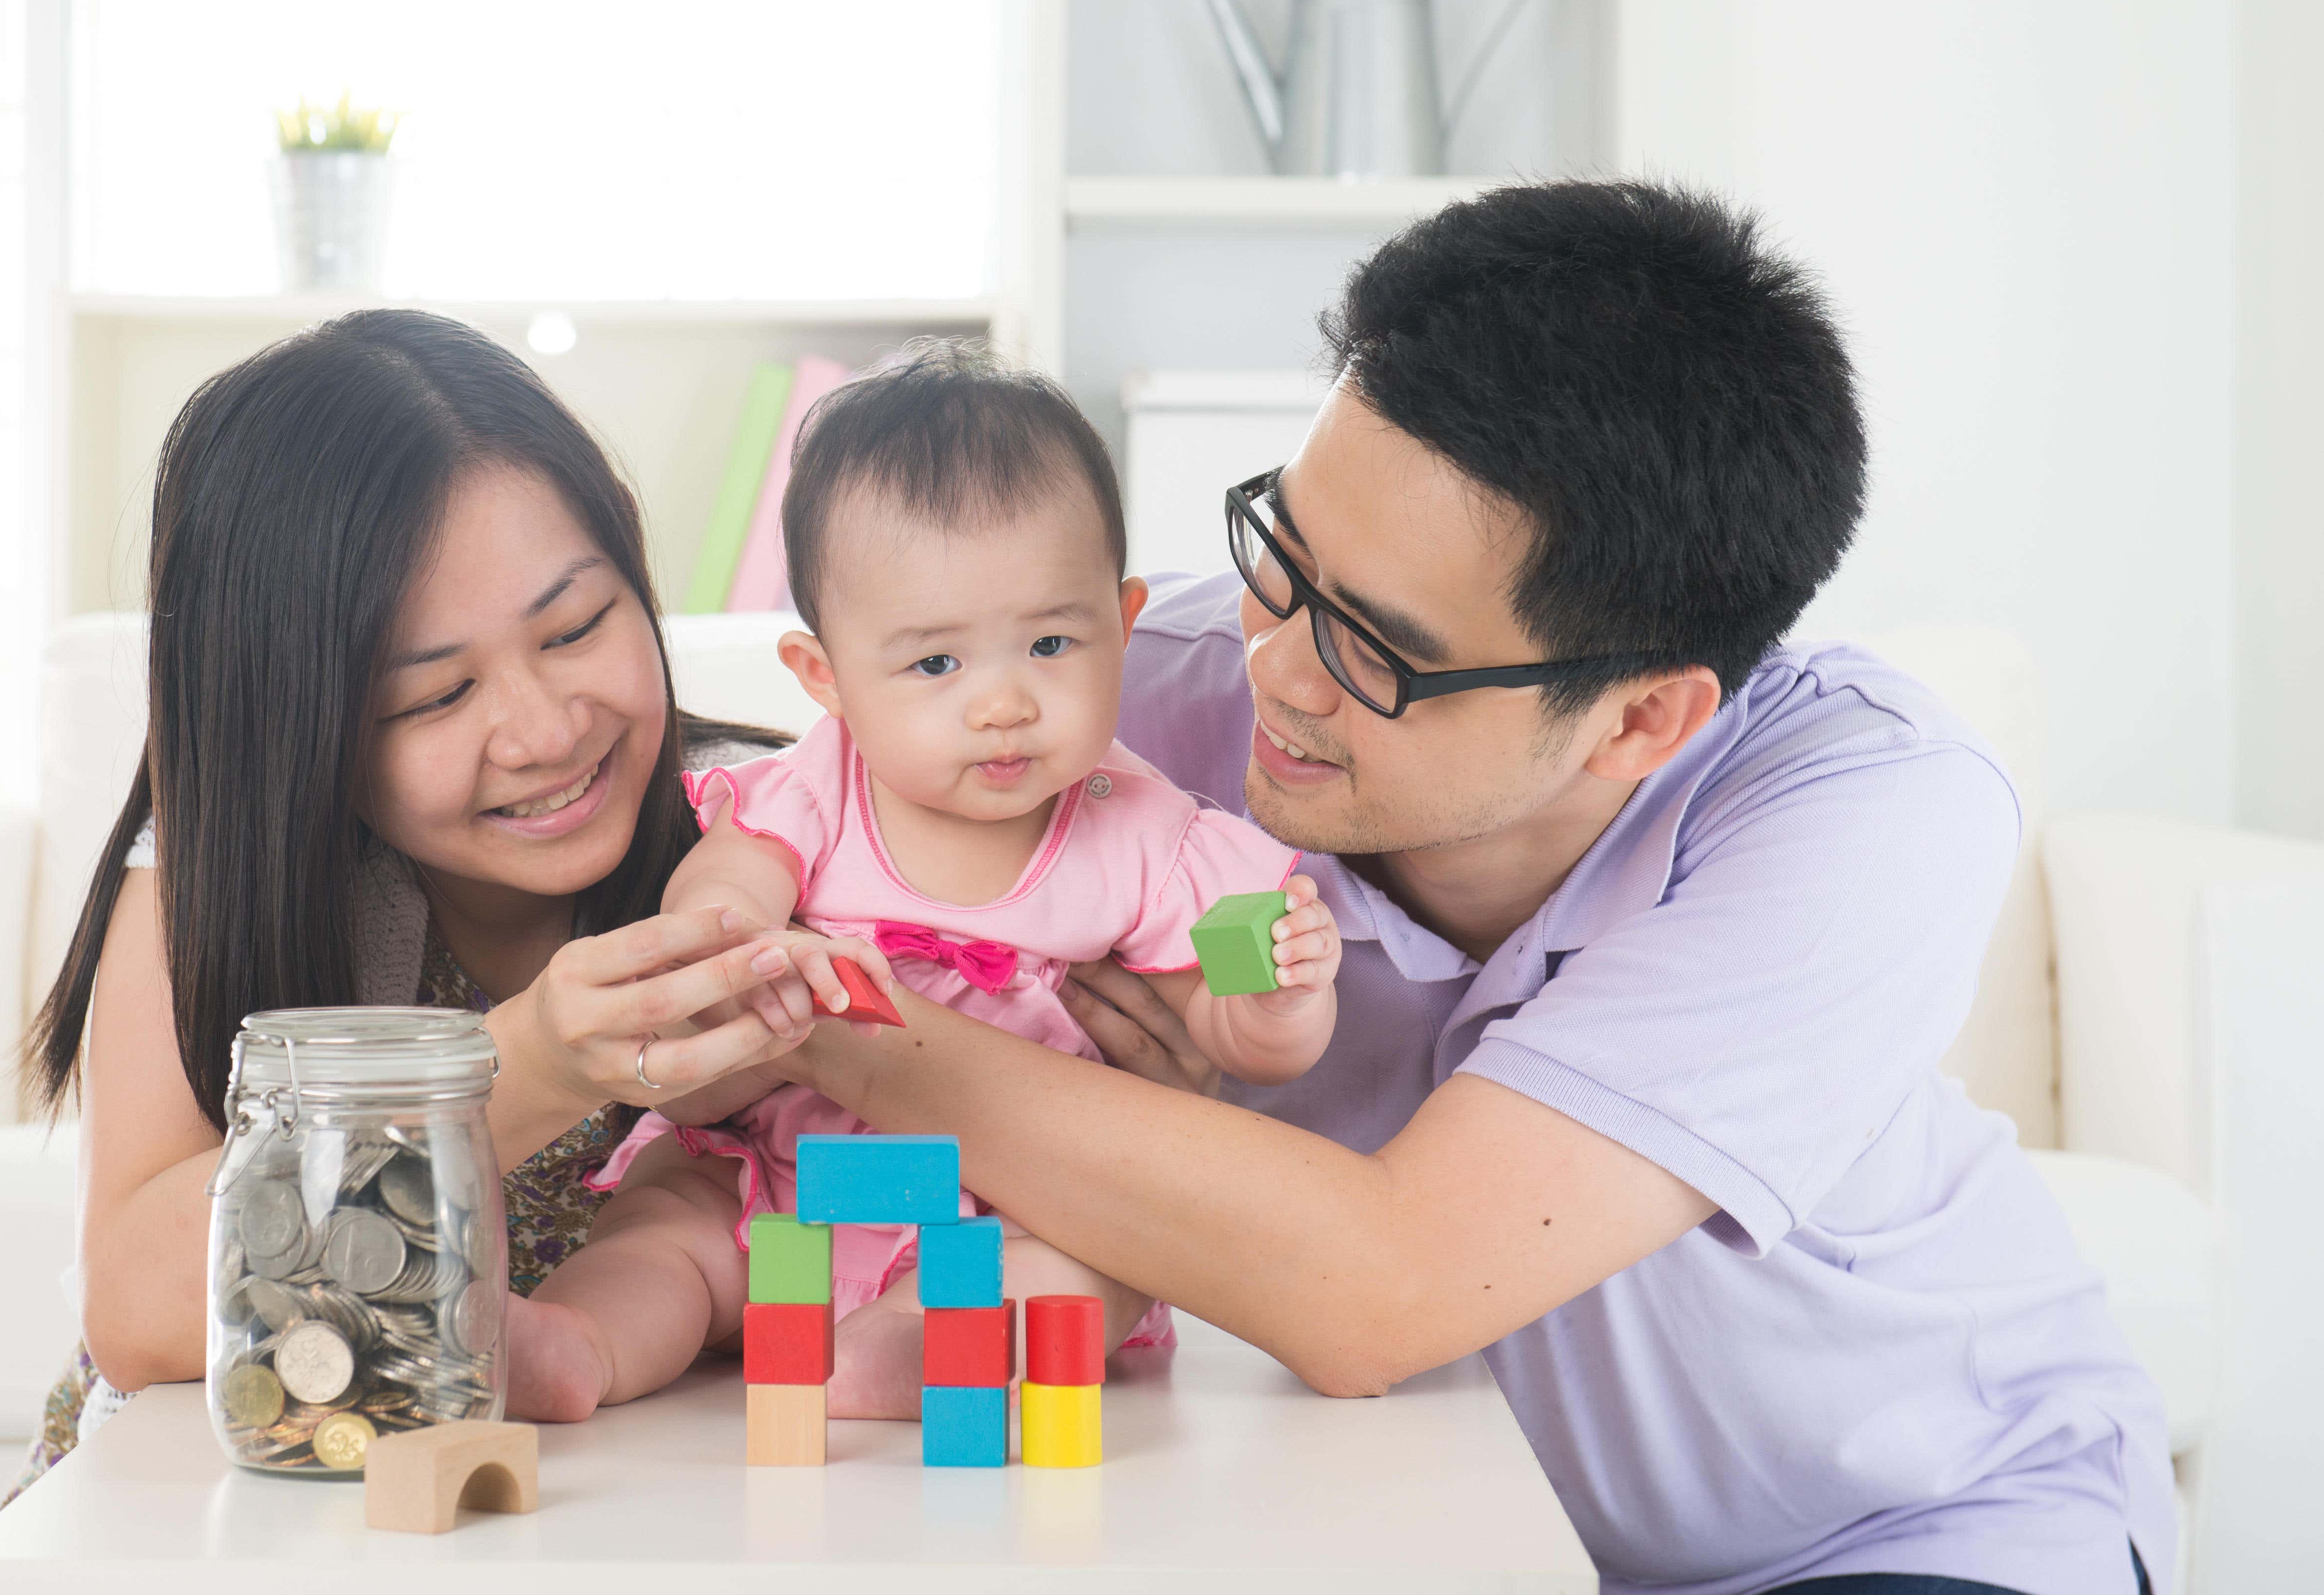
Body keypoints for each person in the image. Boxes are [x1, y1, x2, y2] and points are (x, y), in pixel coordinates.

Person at [773, 184, 2172, 1595]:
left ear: (1639, 722)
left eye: (1378, 646)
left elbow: (1377, 1288)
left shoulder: (1867, 801)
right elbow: (794, 822)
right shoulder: (1117, 714)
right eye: (1285, 555)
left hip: (1904, 1530)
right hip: (1469, 1536)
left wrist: (841, 1024)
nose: (1280, 669)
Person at [10, 308, 869, 1488]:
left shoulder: (774, 826)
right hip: (245, 1504)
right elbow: (140, 1309)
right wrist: (526, 1063)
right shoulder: (212, 876)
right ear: (298, 730)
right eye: (433, 696)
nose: (544, 729)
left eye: (575, 626)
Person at [516, 348, 1339, 1420]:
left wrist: (1275, 994)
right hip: (782, 1172)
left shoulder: (1148, 832)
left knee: (1097, 1259)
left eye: (1050, 642)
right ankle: (576, 1342)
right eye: (935, 664)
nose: (1003, 702)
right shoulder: (817, 786)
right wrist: (747, 947)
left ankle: (917, 1345)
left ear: (1122, 620)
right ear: (827, 677)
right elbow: (720, 891)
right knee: (667, 1224)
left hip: (1019, 1196)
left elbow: (1228, 1038)